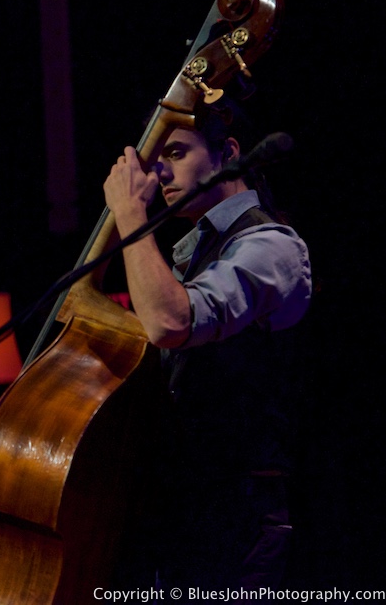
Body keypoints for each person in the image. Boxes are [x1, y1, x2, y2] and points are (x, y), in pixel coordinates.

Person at [102, 102, 312, 591]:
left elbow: (170, 322)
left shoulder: (271, 244)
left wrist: (130, 213)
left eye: (175, 152)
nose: (159, 172)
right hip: (185, 507)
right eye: (154, 159)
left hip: (240, 517)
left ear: (228, 153)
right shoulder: (189, 254)